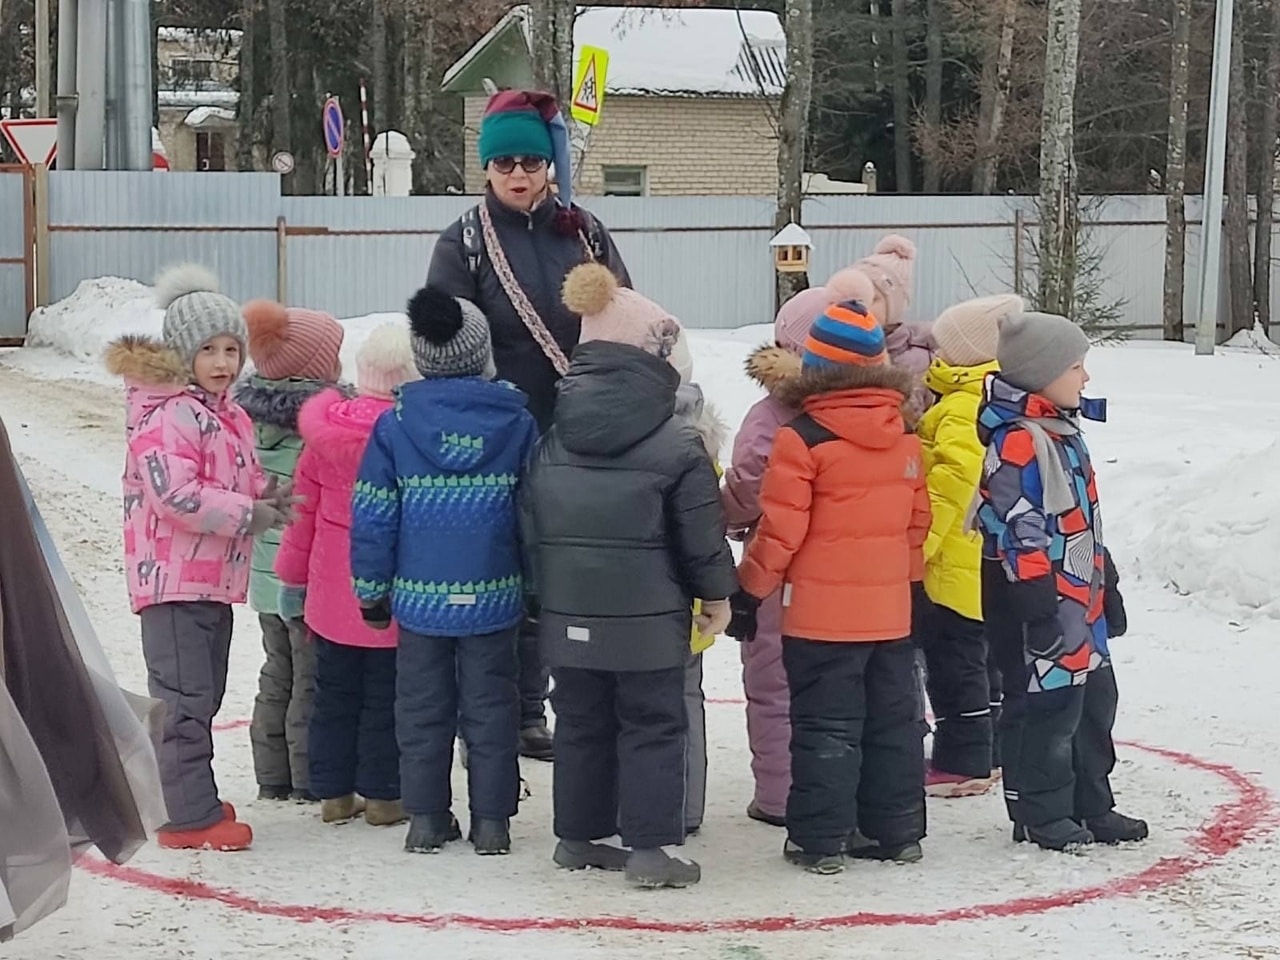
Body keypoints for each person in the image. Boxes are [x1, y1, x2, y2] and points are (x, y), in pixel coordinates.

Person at [426, 89, 632, 761]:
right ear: (486, 169)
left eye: (532, 162)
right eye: (505, 163)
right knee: (504, 573)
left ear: (549, 167)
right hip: (498, 435)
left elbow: (624, 318)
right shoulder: (463, 243)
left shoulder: (587, 233)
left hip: (581, 431)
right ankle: (503, 712)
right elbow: (443, 343)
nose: (519, 175)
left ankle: (560, 704)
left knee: (567, 572)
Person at [521, 263, 736, 889]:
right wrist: (718, 596)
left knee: (581, 720)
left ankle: (579, 836)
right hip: (648, 624)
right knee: (653, 724)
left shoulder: (552, 440)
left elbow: (531, 527)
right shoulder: (676, 446)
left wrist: (542, 597)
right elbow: (700, 535)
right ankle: (648, 849)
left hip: (568, 615)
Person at [728, 300, 930, 875]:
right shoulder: (905, 438)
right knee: (892, 723)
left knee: (823, 725)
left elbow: (781, 530)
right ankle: (895, 832)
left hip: (819, 620)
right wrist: (909, 588)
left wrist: (751, 589)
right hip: (890, 616)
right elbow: (919, 524)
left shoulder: (803, 438)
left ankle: (819, 839)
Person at [104, 265, 299, 852]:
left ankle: (191, 794)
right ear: (183, 354)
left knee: (203, 691)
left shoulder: (221, 411)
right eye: (208, 350)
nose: (222, 362)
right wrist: (247, 515)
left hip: (209, 580)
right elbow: (176, 496)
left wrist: (265, 496)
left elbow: (232, 475)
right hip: (173, 581)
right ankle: (187, 817)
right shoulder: (167, 415)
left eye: (231, 349)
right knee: (184, 698)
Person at [351, 288, 538, 857]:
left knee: (421, 709)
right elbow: (533, 512)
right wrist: (535, 585)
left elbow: (374, 513)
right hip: (494, 596)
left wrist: (370, 589)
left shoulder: (395, 427)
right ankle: (492, 823)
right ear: (482, 356)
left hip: (420, 601)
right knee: (492, 707)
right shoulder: (517, 422)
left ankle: (428, 818)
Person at [976, 310, 1148, 851]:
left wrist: (1107, 582)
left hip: (1080, 598)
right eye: (1077, 366)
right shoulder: (1020, 441)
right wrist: (1035, 606)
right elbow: (1020, 529)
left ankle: (1091, 801)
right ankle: (1042, 812)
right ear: (1040, 373)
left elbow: (1079, 519)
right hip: (1042, 603)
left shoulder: (1062, 431)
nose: (1086, 378)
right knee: (1045, 708)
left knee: (1095, 699)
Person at [275, 323, 421, 827]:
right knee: (386, 698)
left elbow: (303, 515)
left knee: (333, 693)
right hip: (391, 596)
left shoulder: (322, 437)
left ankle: (333, 793)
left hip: (330, 597)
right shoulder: (410, 438)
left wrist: (291, 575)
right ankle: (383, 796)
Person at [720, 283, 838, 828]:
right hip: (852, 574)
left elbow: (747, 482)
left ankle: (779, 794)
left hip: (778, 567)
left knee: (772, 682)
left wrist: (728, 517)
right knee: (846, 684)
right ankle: (846, 787)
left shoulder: (769, 417)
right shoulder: (876, 408)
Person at [237, 299, 348, 804]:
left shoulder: (246, 422)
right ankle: (308, 776)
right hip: (305, 579)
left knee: (275, 670)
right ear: (316, 368)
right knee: (311, 678)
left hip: (265, 578)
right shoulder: (320, 427)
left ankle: (272, 773)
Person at [915, 294, 1023, 798]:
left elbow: (953, 481)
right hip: (979, 558)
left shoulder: (962, 407)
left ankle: (963, 759)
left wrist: (923, 543)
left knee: (954, 664)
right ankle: (995, 749)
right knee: (985, 660)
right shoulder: (991, 395)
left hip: (953, 560)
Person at [669, 329, 730, 836]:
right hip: (687, 601)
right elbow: (707, 532)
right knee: (689, 699)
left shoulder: (625, 434)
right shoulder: (701, 446)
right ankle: (687, 807)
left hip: (636, 602)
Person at [827, 234, 935, 416]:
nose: (863, 306)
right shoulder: (836, 348)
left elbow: (912, 416)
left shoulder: (916, 361)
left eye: (873, 298)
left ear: (894, 306)